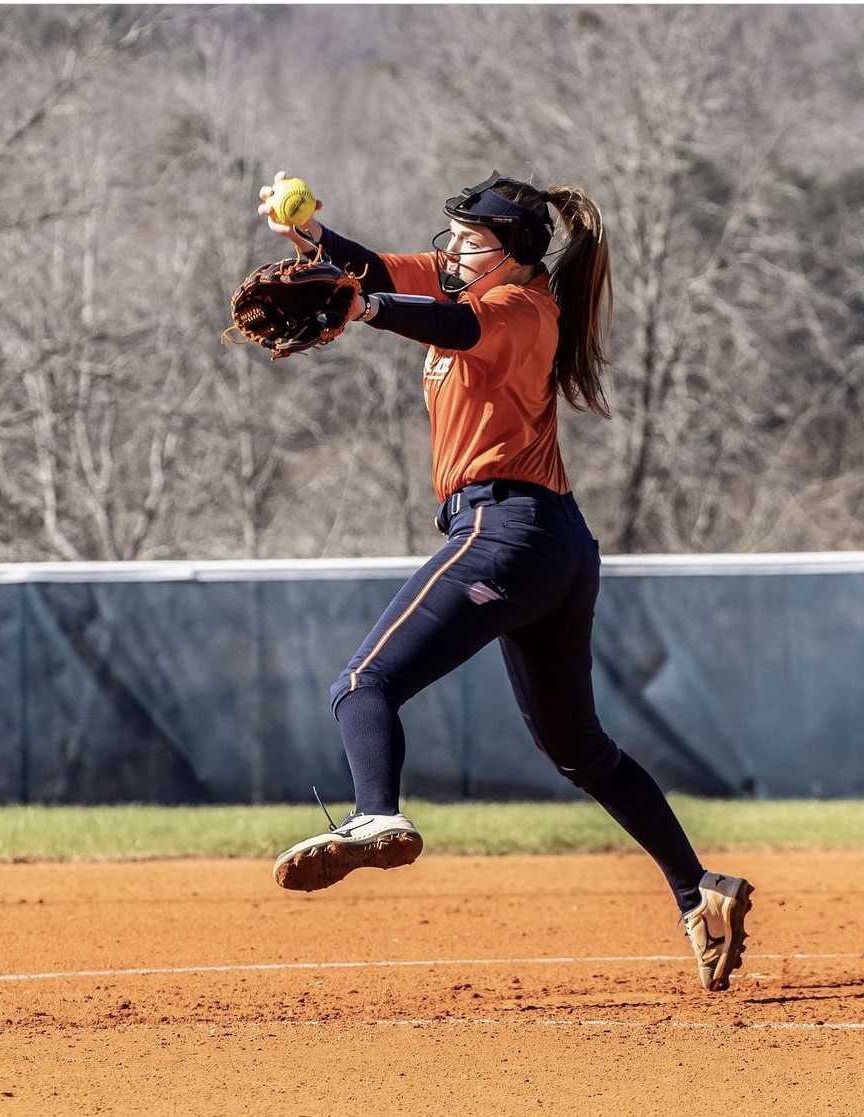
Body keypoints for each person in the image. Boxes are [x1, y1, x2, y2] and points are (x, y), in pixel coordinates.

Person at [259, 170, 753, 990]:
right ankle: (699, 889)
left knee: (363, 683)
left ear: (512, 251)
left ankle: (376, 812)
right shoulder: (471, 277)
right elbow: (381, 272)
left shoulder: (523, 309)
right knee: (578, 747)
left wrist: (367, 309)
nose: (450, 247)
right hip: (551, 544)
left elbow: (443, 321)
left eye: (469, 236)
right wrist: (315, 242)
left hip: (504, 529)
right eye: (451, 233)